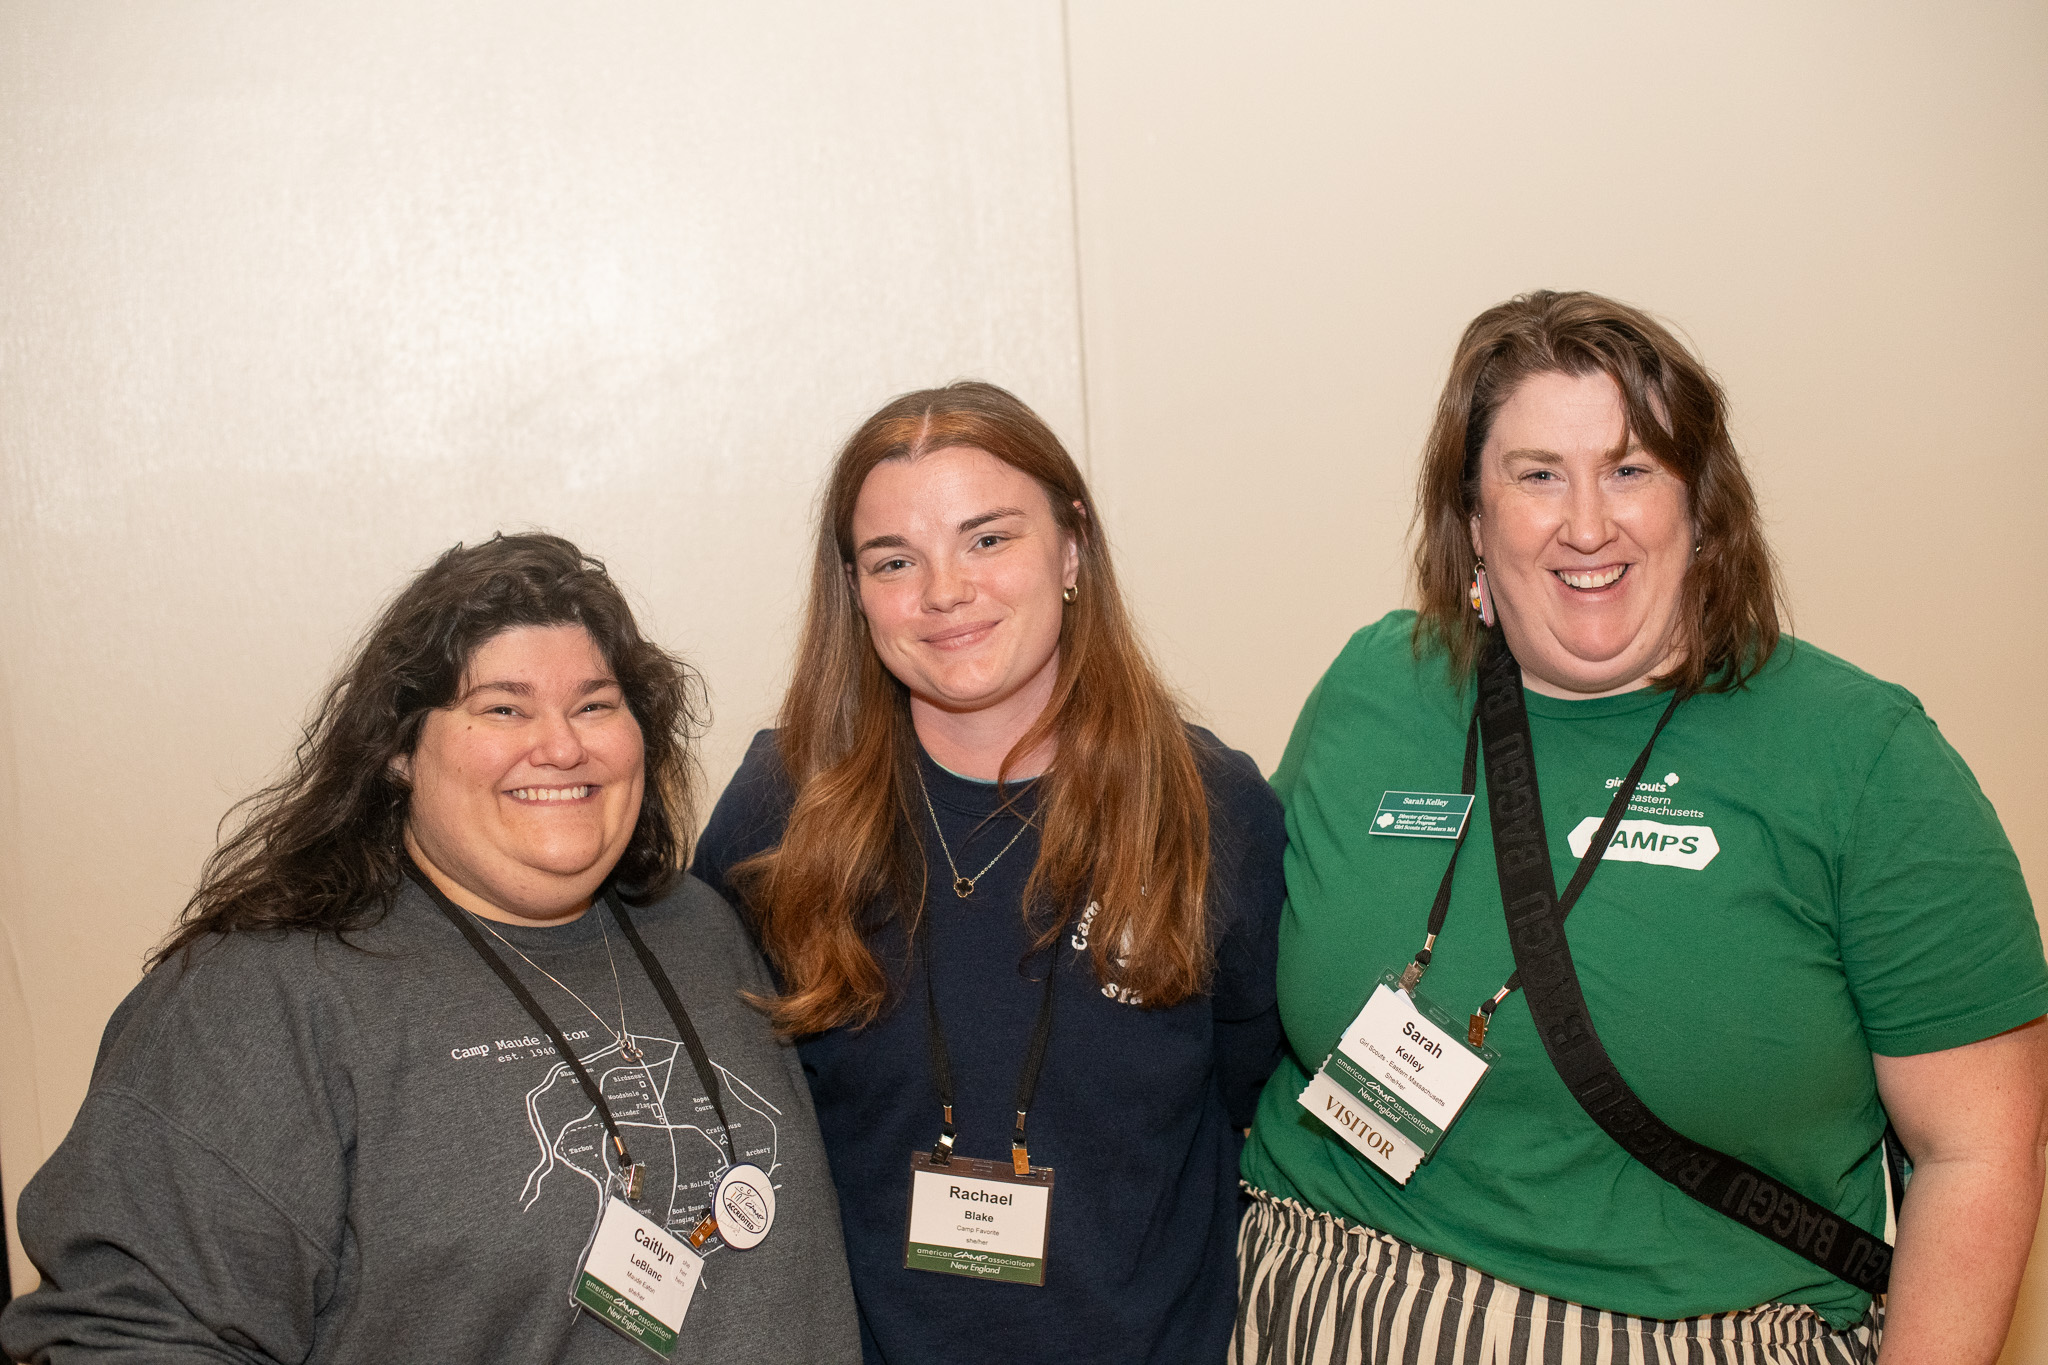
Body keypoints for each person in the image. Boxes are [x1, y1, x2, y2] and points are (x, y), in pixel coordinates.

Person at [1235, 291, 2048, 1365]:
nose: (1586, 524)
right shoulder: (1372, 688)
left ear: (1701, 507)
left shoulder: (1863, 759)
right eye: (1536, 475)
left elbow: (1978, 1154)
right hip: (1314, 1307)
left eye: (1629, 469)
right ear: (1471, 520)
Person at [0, 533, 861, 1365]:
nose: (563, 745)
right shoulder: (262, 999)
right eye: (504, 708)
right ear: (398, 752)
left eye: (595, 704)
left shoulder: (701, 928)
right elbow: (122, 1333)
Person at [691, 381, 1286, 1364]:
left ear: (1072, 549)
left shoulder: (1207, 809)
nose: (944, 592)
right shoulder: (783, 808)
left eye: (988, 539)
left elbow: (1249, 1092)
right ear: (854, 589)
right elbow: (728, 1104)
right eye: (895, 560)